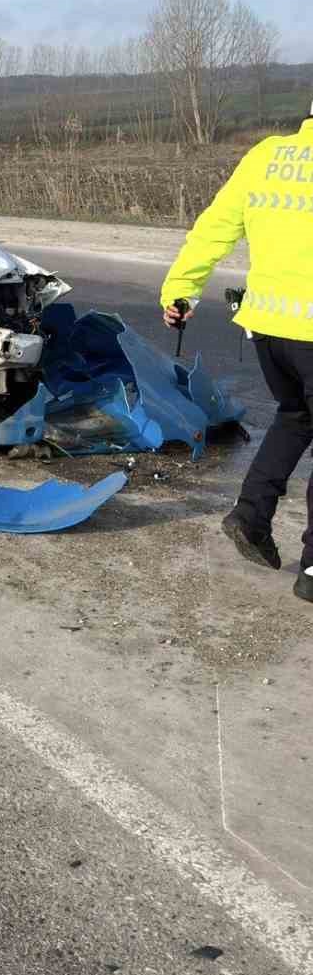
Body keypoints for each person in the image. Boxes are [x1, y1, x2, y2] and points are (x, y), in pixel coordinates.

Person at [159, 97, 313, 602]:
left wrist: (180, 291)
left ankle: (250, 516)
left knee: (295, 417)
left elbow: (213, 230)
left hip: (269, 328)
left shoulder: (266, 155)